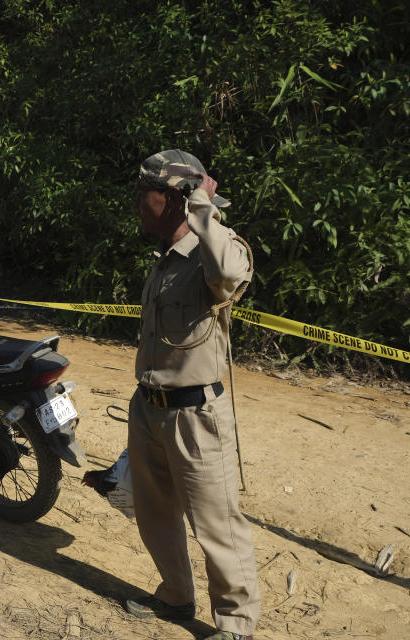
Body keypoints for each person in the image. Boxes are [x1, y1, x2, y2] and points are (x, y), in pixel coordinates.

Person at [124, 150, 260, 640]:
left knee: (217, 526)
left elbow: (229, 272)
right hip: (151, 409)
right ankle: (176, 595)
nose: (139, 203)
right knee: (155, 512)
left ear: (178, 199)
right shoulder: (164, 260)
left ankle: (237, 623)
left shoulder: (214, 255)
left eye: (147, 193)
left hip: (197, 416)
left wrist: (203, 204)